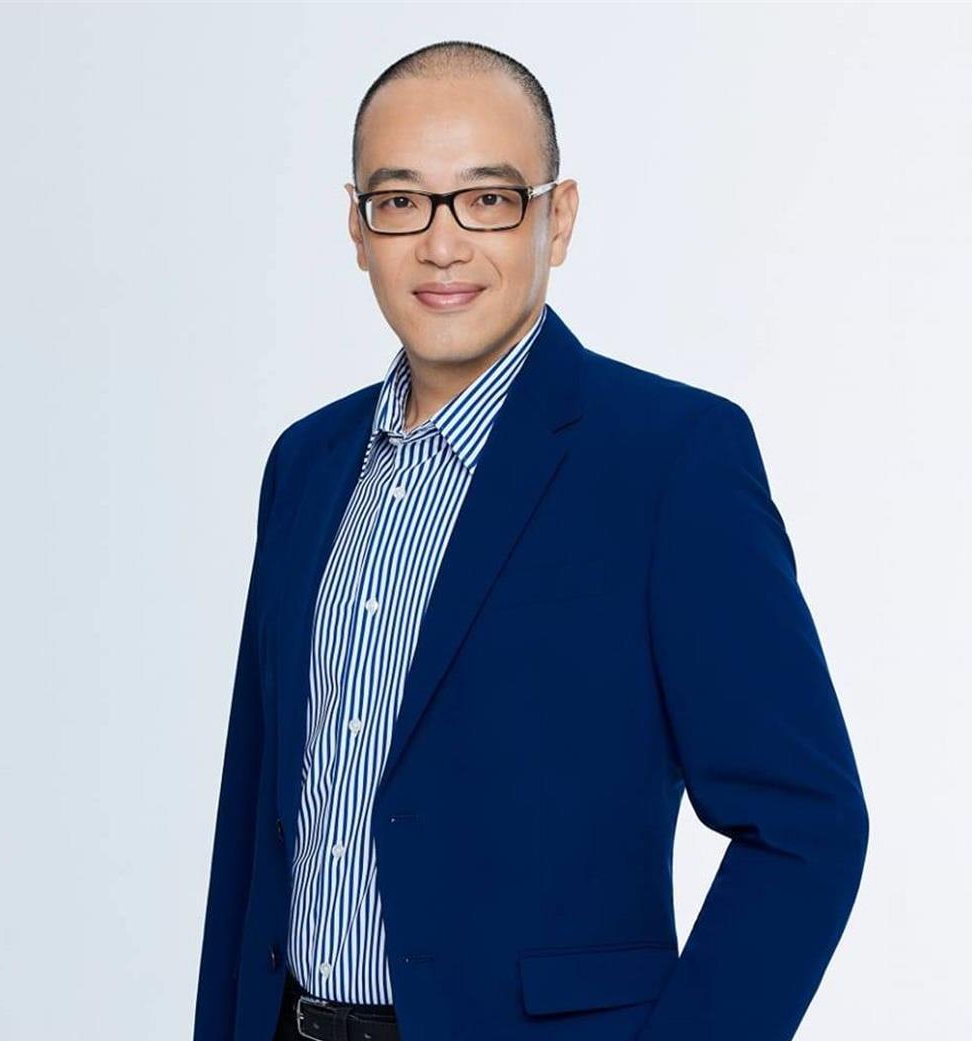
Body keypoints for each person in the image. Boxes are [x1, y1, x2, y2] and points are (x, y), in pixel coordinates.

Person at [192, 39, 869, 1041]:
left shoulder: (670, 460)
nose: (442, 244)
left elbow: (806, 825)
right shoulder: (308, 463)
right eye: (400, 201)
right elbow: (254, 815)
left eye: (488, 199)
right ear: (357, 226)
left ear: (560, 218)